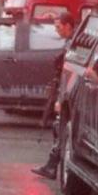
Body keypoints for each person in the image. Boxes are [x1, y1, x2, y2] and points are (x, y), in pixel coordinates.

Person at [31, 12, 76, 180]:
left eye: (58, 27)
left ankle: (52, 166)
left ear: (68, 26)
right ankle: (52, 165)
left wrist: (61, 98)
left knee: (60, 129)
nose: (57, 31)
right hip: (64, 90)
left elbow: (69, 72)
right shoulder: (70, 42)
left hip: (68, 94)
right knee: (58, 129)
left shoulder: (74, 44)